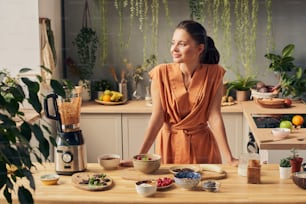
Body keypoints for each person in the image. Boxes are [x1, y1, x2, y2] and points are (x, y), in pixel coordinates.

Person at [122, 20, 238, 166]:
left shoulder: (214, 74)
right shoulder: (160, 73)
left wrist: (230, 158)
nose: (174, 49)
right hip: (170, 146)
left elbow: (214, 116)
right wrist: (140, 157)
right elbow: (157, 118)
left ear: (200, 48)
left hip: (203, 148)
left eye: (182, 44)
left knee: (205, 186)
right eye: (173, 43)